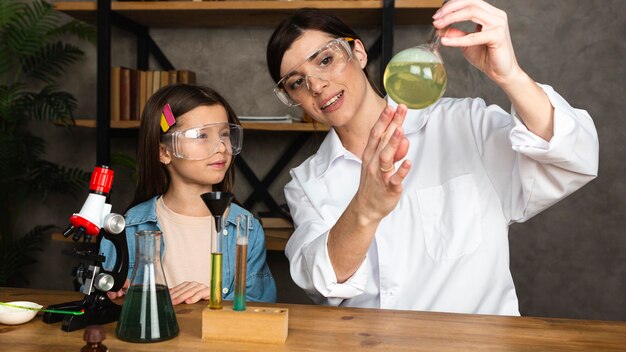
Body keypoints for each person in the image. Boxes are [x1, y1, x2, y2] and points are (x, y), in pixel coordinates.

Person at [266, 2, 598, 315]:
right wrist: (365, 210)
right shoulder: (308, 182)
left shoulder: (462, 124)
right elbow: (321, 281)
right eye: (297, 82)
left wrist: (509, 75)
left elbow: (574, 156)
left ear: (358, 52)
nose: (317, 85)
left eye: (324, 60)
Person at [100, 84, 276, 305]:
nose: (221, 147)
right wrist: (115, 293)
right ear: (164, 152)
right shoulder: (128, 228)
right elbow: (102, 298)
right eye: (201, 135)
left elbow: (261, 307)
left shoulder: (246, 228)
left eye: (224, 134)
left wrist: (215, 299)